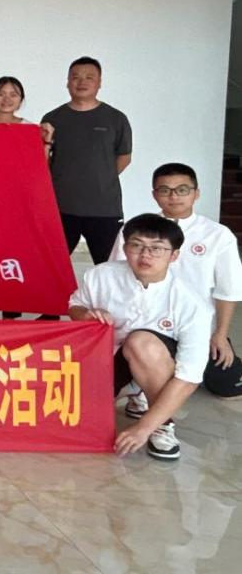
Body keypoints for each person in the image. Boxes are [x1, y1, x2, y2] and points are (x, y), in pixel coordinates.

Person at [69, 213, 211, 460]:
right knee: (73, 414)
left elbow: (189, 376)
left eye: (156, 249)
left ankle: (162, 424)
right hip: (108, 359)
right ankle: (134, 389)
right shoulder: (101, 275)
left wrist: (143, 428)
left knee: (141, 342)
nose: (145, 255)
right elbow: (74, 306)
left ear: (174, 255)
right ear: (125, 248)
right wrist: (86, 315)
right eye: (137, 246)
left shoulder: (191, 302)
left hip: (155, 359)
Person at [110, 163, 242, 418]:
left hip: (196, 325)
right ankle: (145, 388)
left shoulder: (217, 235)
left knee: (228, 386)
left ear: (196, 193)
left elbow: (228, 291)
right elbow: (117, 275)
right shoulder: (136, 231)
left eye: (182, 190)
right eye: (165, 190)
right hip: (145, 323)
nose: (174, 197)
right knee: (134, 360)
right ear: (154, 194)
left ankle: (148, 380)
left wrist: (220, 334)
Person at [40, 56, 132, 319]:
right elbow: (43, 160)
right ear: (67, 82)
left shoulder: (115, 118)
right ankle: (50, 313)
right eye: (76, 77)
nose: (82, 82)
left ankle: (114, 315)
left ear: (99, 82)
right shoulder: (53, 118)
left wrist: (99, 178)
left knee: (110, 266)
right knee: (52, 265)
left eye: (89, 77)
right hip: (61, 206)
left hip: (104, 208)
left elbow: (124, 157)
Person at [0, 76, 50, 319]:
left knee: (13, 256)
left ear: (21, 100)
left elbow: (39, 168)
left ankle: (10, 312)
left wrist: (45, 142)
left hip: (17, 204)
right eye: (1, 93)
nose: (6, 99)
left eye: (13, 94)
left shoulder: (30, 129)